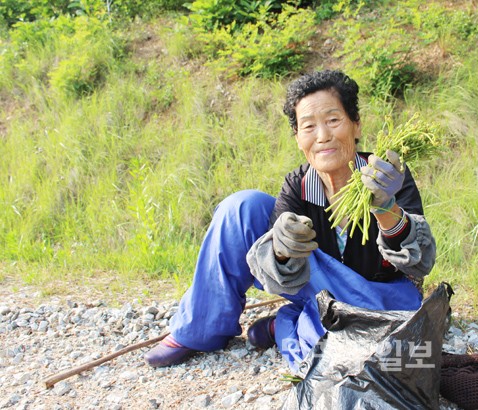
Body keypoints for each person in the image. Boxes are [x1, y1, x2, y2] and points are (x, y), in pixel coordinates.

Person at [144, 69, 437, 371]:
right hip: (320, 291)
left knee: (371, 342)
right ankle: (200, 330)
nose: (322, 136)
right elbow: (277, 276)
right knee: (241, 208)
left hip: (379, 297)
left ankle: (288, 324)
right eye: (308, 126)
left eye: (333, 120)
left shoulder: (386, 175)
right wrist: (282, 249)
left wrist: (386, 207)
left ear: (355, 124)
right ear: (298, 138)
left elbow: (419, 264)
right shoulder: (297, 186)